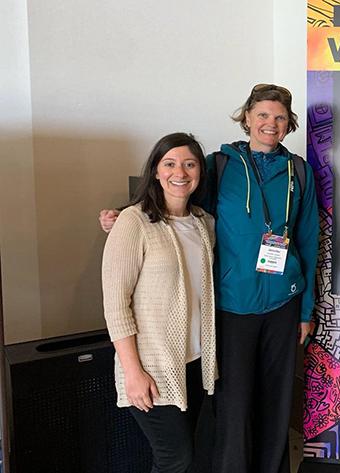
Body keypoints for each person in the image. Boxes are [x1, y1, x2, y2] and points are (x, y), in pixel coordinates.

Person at [100, 84, 319, 473]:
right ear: (247, 118)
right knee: (232, 406)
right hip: (230, 306)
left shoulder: (298, 171)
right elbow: (177, 198)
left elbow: (307, 237)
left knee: (276, 402)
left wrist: (305, 311)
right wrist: (123, 214)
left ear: (289, 125)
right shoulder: (221, 164)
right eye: (263, 115)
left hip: (283, 305)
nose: (271, 124)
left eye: (280, 117)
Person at [102, 132, 218, 473]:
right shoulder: (133, 222)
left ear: (199, 173)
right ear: (155, 170)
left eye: (189, 164)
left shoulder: (203, 223)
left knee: (188, 456)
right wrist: (132, 372)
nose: (179, 172)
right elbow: (115, 304)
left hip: (196, 364)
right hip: (151, 368)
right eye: (169, 163)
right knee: (174, 458)